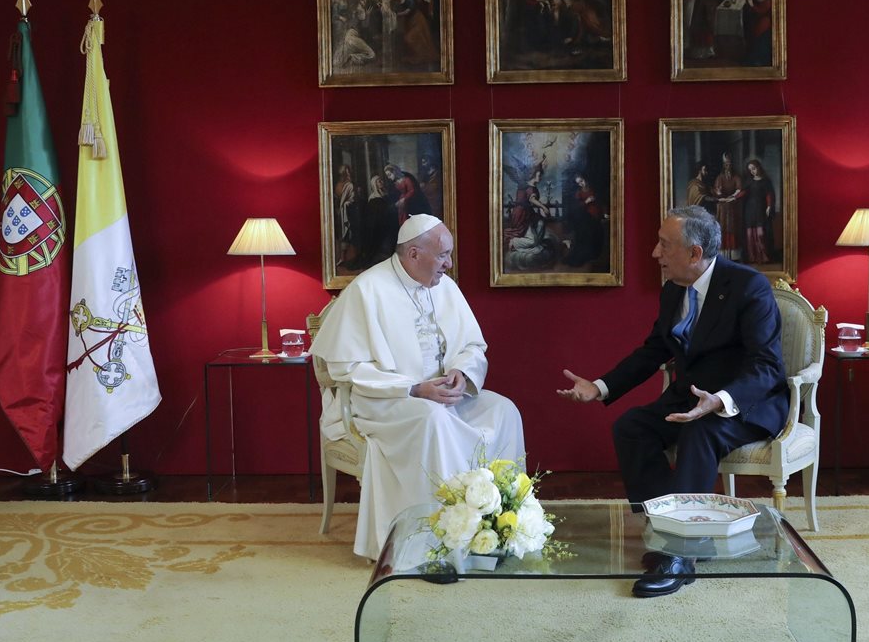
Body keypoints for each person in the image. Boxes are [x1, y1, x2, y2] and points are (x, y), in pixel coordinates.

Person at [556, 206, 788, 597]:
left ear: (695, 253)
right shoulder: (673, 289)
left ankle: (680, 557)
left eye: (664, 245)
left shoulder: (749, 287)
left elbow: (767, 366)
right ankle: (671, 533)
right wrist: (600, 386)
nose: (654, 253)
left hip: (744, 402)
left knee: (699, 432)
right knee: (631, 428)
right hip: (689, 397)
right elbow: (653, 351)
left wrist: (719, 400)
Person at [311, 215, 526, 560]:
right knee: (433, 420)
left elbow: (473, 346)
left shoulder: (445, 287)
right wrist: (413, 388)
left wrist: (461, 372)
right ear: (413, 254)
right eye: (443, 255)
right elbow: (346, 369)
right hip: (386, 401)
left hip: (443, 394)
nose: (449, 264)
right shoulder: (367, 290)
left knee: (504, 410)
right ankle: (440, 542)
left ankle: (498, 524)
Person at [742, 159, 776, 263]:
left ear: (758, 167)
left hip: (760, 209)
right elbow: (743, 192)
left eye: (754, 168)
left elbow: (769, 194)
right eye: (750, 170)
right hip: (750, 210)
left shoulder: (766, 181)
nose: (752, 171)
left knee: (760, 234)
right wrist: (733, 197)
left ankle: (763, 257)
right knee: (750, 235)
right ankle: (753, 257)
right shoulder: (749, 181)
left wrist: (769, 206)